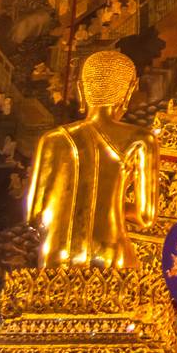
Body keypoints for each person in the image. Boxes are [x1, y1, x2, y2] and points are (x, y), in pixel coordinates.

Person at [25, 50, 157, 269]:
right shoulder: (141, 139)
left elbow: (35, 215)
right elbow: (145, 216)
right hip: (110, 252)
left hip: (55, 256)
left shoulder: (51, 140)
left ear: (81, 89)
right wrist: (109, 202)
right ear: (130, 89)